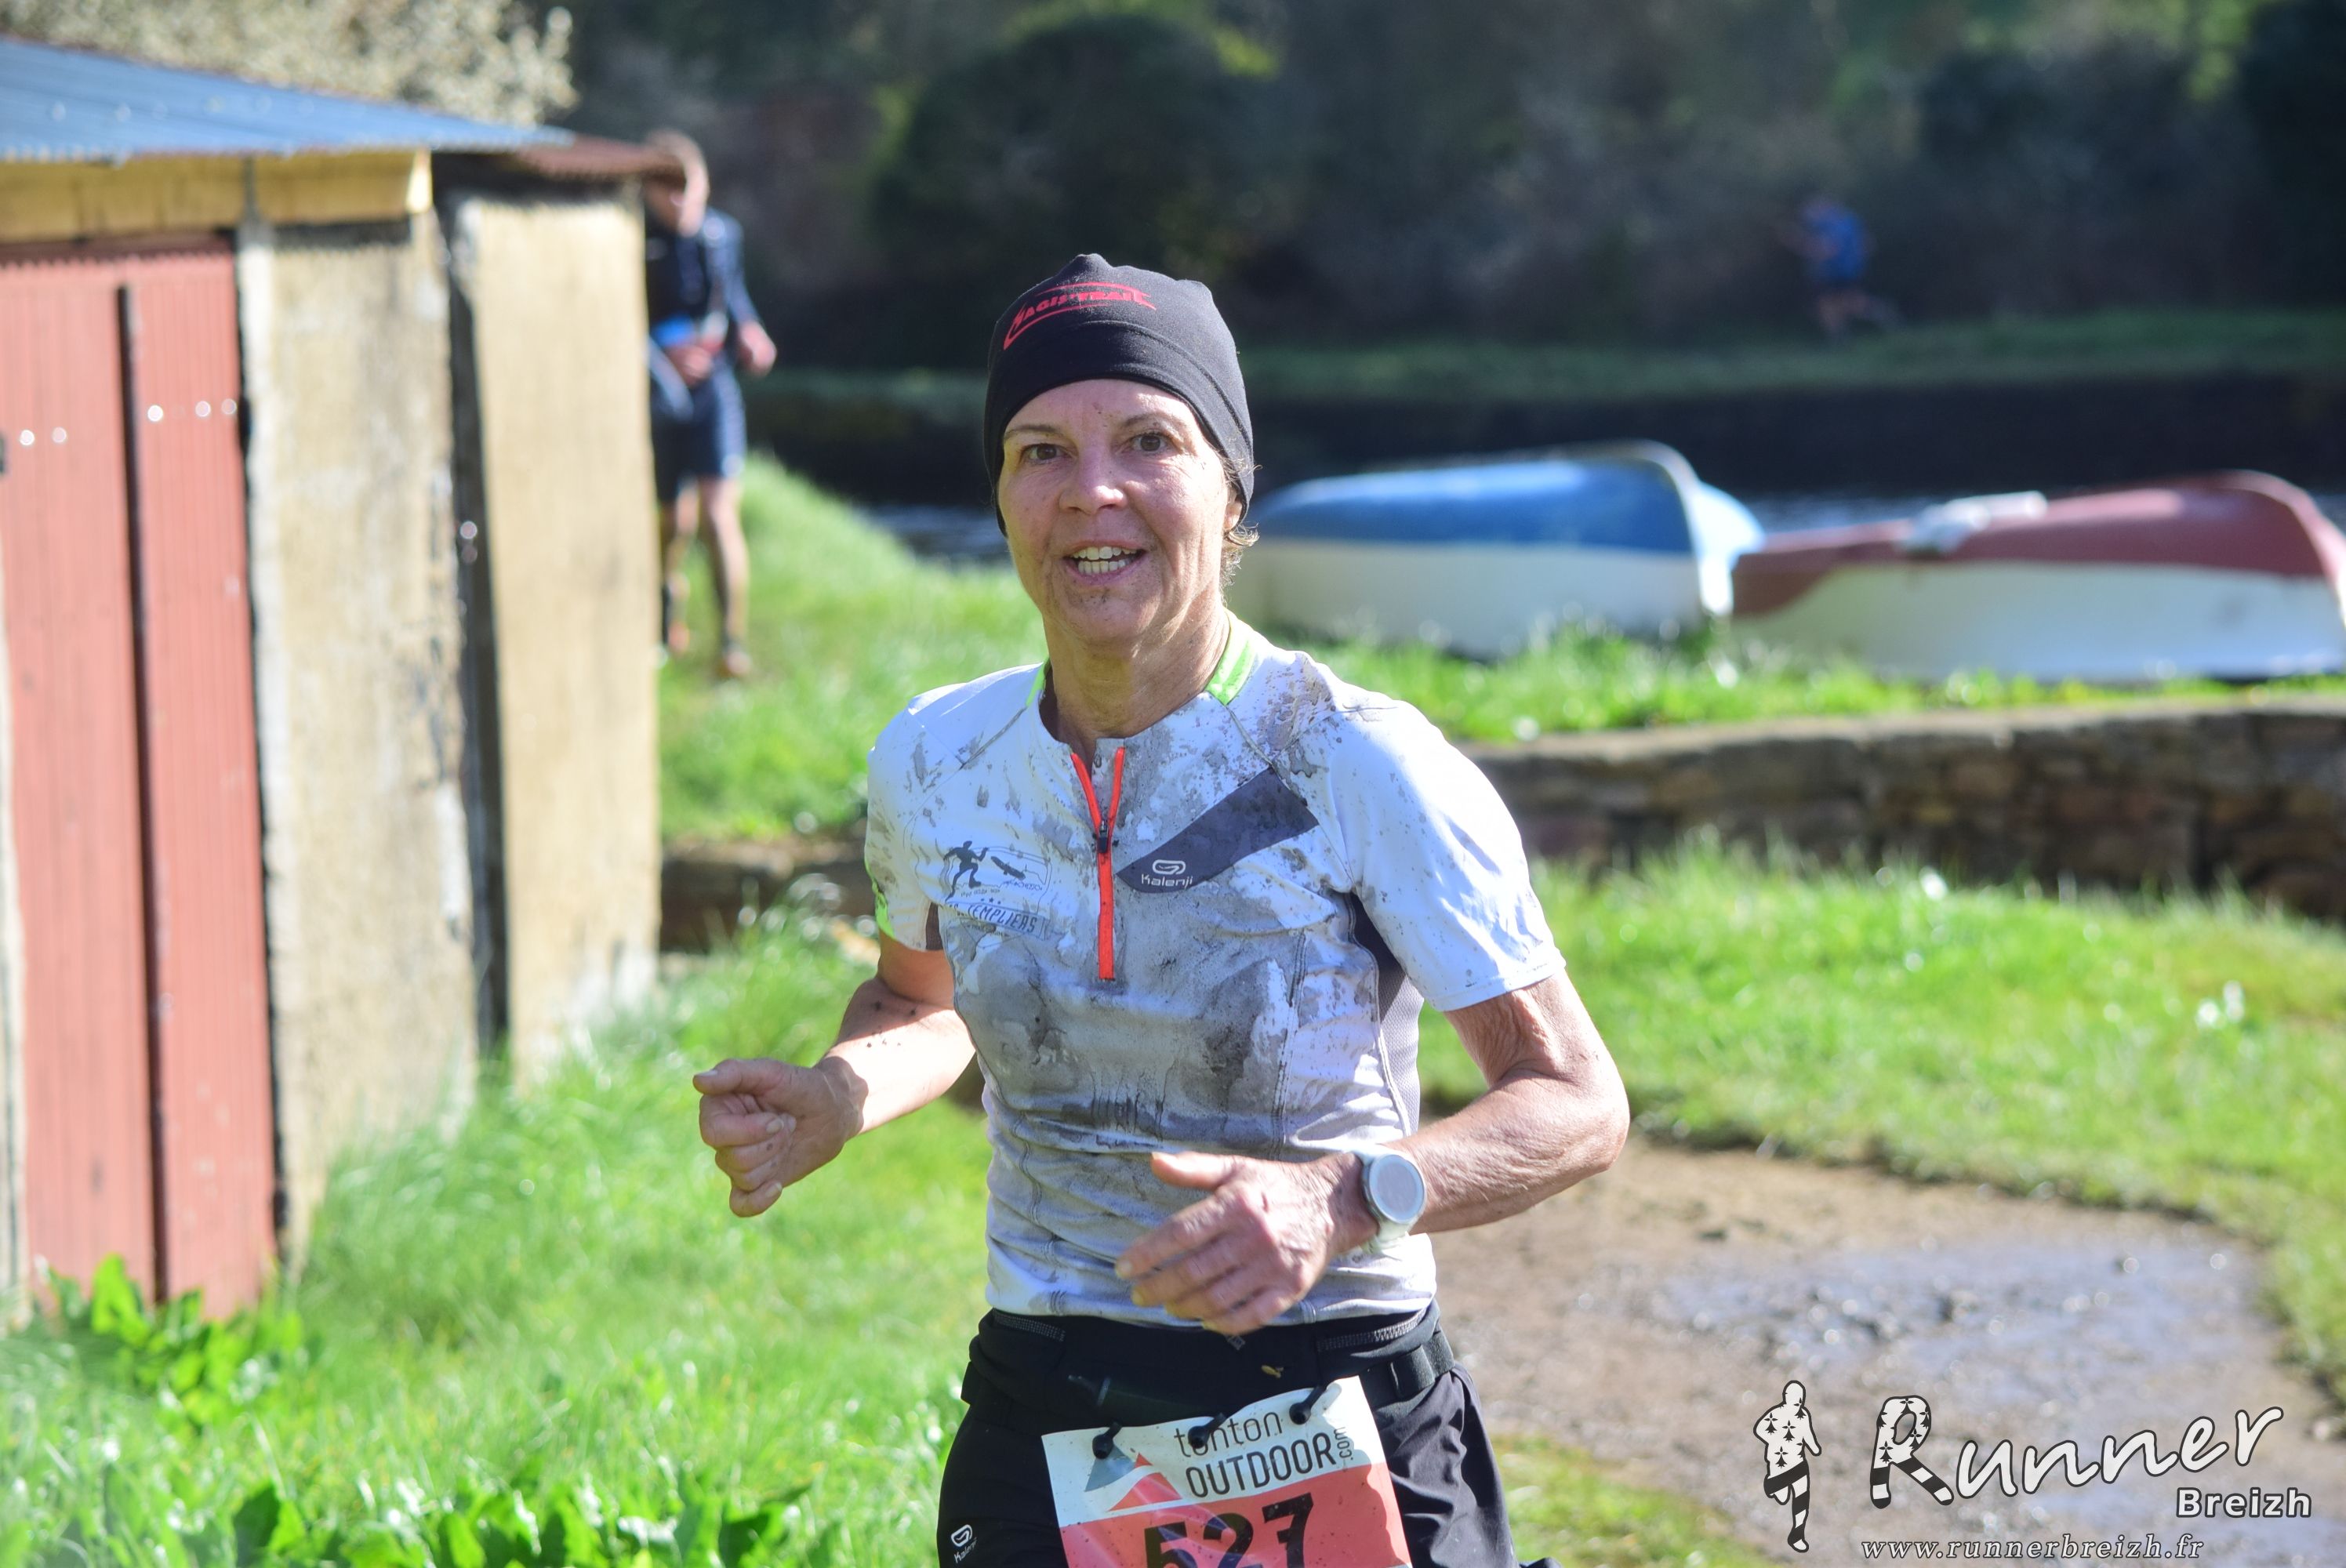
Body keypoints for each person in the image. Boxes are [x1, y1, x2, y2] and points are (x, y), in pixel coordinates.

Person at [692, 255, 1629, 1567]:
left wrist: (1341, 1199)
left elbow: (1577, 1102)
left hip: (1331, 1390)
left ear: (1230, 491)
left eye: (1149, 441)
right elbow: (921, 999)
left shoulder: (1355, 758)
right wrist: (839, 1095)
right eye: (1041, 451)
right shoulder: (935, 758)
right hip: (1050, 1394)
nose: (1093, 491)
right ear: (1002, 495)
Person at [643, 127, 776, 680]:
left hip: (714, 390)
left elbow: (735, 298)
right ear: (647, 190)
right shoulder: (631, 239)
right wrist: (659, 357)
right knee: (672, 522)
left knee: (718, 515)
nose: (679, 199)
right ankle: (664, 619)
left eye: (688, 186)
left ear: (704, 182)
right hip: (658, 396)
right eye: (666, 188)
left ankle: (730, 644)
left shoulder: (723, 234)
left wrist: (751, 332)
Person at [1781, 194, 1899, 341]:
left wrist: (1796, 241)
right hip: (1848, 271)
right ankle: (1844, 338)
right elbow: (1868, 244)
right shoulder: (1849, 220)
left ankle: (1842, 340)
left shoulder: (1833, 225)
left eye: (1811, 209)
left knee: (1835, 305)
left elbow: (1827, 250)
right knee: (1837, 305)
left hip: (1837, 273)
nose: (1807, 214)